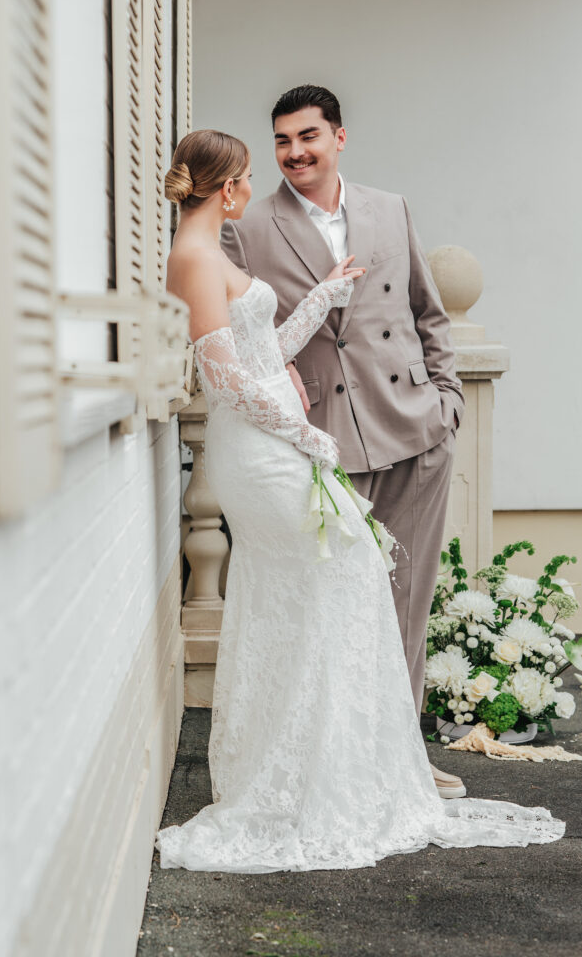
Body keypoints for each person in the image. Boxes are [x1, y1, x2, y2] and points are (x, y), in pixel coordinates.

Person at [156, 128, 563, 874]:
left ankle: (329, 768)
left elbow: (265, 353)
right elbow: (224, 380)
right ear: (225, 189)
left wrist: (321, 296)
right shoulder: (193, 256)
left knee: (328, 590)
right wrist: (306, 437)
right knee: (336, 575)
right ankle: (301, 777)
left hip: (278, 441)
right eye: (246, 176)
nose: (253, 188)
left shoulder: (211, 249)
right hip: (260, 451)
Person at [221, 84, 464, 799]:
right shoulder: (250, 226)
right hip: (320, 445)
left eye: (307, 136)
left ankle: (405, 762)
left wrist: (445, 401)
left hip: (413, 429)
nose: (294, 152)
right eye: (281, 141)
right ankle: (340, 767)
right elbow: (249, 340)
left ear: (338, 137)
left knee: (404, 600)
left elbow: (428, 311)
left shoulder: (389, 208)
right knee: (334, 608)